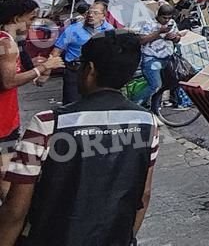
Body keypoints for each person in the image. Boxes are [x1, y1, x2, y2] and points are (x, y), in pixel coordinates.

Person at [0, 33, 159, 246]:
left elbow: (15, 209)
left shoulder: (48, 124)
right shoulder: (148, 123)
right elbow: (144, 194)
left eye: (79, 64)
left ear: (90, 70)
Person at [0, 0, 64, 202]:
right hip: (3, 121)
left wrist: (34, 67)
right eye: (31, 18)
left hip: (9, 117)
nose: (33, 23)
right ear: (16, 18)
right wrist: (42, 68)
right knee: (5, 176)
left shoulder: (8, 40)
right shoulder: (6, 42)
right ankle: (11, 222)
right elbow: (8, 81)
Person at [50, 1, 115, 104]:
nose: (91, 15)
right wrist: (46, 72)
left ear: (104, 16)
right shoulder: (73, 29)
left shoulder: (109, 30)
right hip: (75, 70)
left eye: (95, 13)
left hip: (98, 73)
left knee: (95, 103)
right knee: (72, 103)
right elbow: (56, 51)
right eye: (89, 12)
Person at [136, 4, 189, 113]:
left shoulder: (172, 23)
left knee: (163, 86)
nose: (167, 20)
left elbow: (177, 38)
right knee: (155, 85)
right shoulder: (149, 24)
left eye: (169, 18)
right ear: (159, 16)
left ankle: (155, 110)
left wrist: (175, 37)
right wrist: (159, 33)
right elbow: (141, 40)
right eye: (164, 18)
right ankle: (134, 104)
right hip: (151, 59)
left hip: (167, 58)